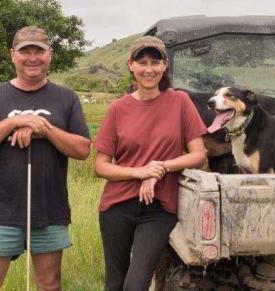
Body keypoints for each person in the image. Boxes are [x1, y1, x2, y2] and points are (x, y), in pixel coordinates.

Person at [0, 26, 91, 291]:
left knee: (49, 284)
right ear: (13, 55)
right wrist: (14, 122)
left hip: (49, 210)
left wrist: (44, 127)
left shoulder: (66, 98)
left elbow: (82, 150)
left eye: (39, 51)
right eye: (25, 51)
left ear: (49, 56)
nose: (32, 57)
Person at [93, 35, 207, 290]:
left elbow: (198, 154)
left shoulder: (180, 102)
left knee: (135, 284)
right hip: (117, 206)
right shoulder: (117, 109)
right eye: (142, 62)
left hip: (159, 208)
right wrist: (139, 172)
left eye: (155, 62)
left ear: (165, 65)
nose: (148, 69)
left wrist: (160, 169)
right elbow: (101, 166)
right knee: (114, 283)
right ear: (130, 65)